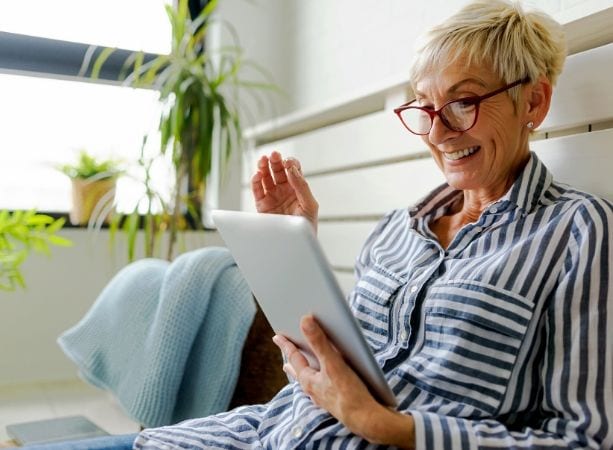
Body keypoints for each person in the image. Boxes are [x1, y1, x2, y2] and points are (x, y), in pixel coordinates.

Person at [14, 1, 611, 449]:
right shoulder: (398, 231)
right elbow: (352, 360)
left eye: (463, 101)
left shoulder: (577, 233)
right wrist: (299, 250)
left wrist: (386, 426)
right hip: (268, 431)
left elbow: (583, 439)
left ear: (534, 104)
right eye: (425, 108)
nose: (438, 131)